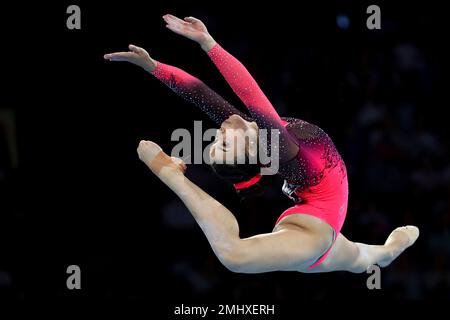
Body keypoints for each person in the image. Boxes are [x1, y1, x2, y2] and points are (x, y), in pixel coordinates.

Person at [104, 14, 419, 273]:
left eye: (215, 140)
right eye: (225, 145)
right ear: (251, 154)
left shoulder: (255, 135)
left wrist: (152, 66)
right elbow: (248, 91)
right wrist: (208, 44)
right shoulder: (278, 146)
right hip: (313, 236)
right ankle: (168, 173)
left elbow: (199, 93)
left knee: (364, 260)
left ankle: (389, 250)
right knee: (233, 256)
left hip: (312, 227)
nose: (219, 132)